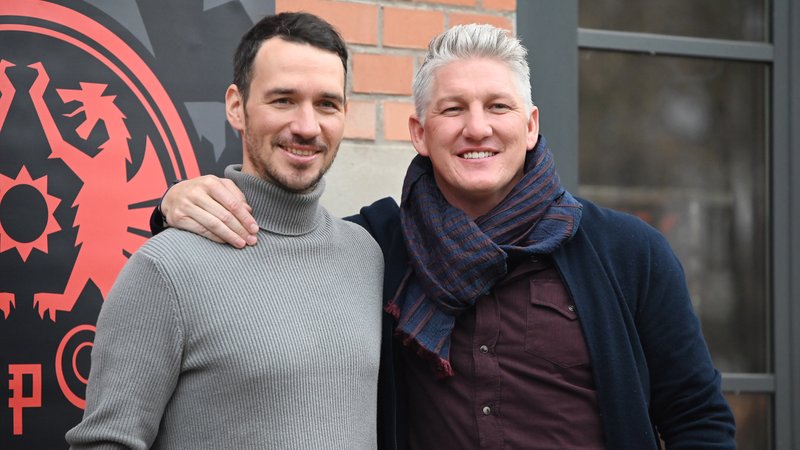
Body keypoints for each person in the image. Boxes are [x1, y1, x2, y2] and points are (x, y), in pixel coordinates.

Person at [151, 24, 737, 449]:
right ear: (420, 133)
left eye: (498, 107)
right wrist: (175, 206)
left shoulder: (627, 253)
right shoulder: (374, 245)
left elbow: (696, 419)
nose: (476, 127)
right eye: (453, 109)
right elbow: (277, 243)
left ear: (530, 126)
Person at [66, 12, 384, 450]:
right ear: (236, 106)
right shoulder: (166, 269)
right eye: (283, 100)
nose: (307, 126)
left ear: (345, 113)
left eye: (327, 103)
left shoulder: (367, 256)